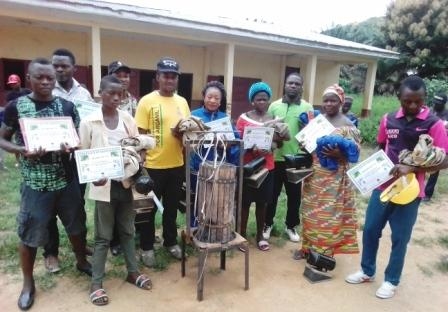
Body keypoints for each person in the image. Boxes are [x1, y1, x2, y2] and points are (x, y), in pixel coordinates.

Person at [0, 58, 91, 311]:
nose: (45, 81)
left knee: (77, 226)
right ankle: (28, 283)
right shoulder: (16, 107)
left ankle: (81, 261)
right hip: (35, 183)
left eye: (49, 78)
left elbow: (75, 138)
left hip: (66, 179)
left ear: (55, 79)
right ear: (29, 78)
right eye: (39, 77)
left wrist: (72, 147)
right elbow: (3, 139)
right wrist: (21, 149)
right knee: (29, 235)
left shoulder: (67, 106)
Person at [345, 76, 448, 299]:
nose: (412, 106)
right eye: (407, 101)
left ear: (424, 99)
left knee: (400, 237)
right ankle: (366, 271)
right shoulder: (388, 119)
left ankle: (391, 280)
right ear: (399, 97)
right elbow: (383, 145)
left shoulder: (434, 124)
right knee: (371, 229)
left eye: (418, 102)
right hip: (382, 186)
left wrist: (412, 168)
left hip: (410, 191)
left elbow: (445, 160)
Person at [79, 75, 151, 306]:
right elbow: (83, 155)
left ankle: (132, 272)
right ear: (100, 93)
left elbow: (137, 147)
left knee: (128, 231)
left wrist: (140, 161)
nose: (116, 98)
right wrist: (93, 178)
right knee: (103, 237)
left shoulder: (127, 119)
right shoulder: (89, 122)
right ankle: (96, 283)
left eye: (120, 93)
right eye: (111, 93)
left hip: (126, 185)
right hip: (104, 188)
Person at [134, 57, 190, 267]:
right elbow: (140, 134)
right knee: (148, 210)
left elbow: (188, 130)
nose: (169, 79)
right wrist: (141, 166)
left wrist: (181, 133)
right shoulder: (146, 101)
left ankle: (170, 242)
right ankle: (147, 247)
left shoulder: (182, 102)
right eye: (165, 75)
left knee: (172, 207)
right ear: (157, 77)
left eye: (173, 76)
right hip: (152, 166)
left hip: (176, 164)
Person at [294, 84, 361, 260]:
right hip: (314, 176)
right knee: (310, 212)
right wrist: (305, 145)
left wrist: (339, 154)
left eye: (333, 100)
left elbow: (354, 154)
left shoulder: (348, 125)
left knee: (329, 216)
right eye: (325, 100)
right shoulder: (318, 122)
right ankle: (307, 248)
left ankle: (324, 253)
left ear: (341, 102)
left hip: (335, 178)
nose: (328, 104)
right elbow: (310, 148)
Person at [43, 48, 94, 273]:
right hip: (48, 160)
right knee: (49, 208)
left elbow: (91, 120)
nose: (60, 69)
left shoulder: (83, 94)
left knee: (77, 204)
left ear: (74, 68)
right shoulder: (45, 91)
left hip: (77, 158)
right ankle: (51, 252)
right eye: (56, 65)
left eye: (64, 65)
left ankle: (81, 247)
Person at [264, 72, 313, 242]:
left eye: (296, 84)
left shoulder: (307, 108)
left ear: (301, 87)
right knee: (272, 195)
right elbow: (267, 131)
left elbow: (312, 132)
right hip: (275, 158)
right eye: (290, 83)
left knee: (294, 196)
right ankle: (267, 224)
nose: (293, 86)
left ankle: (291, 226)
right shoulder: (274, 106)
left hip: (297, 159)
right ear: (284, 85)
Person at [189, 80, 240, 227]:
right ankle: (195, 226)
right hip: (198, 166)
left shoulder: (225, 118)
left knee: (215, 197)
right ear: (204, 97)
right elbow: (187, 139)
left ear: (220, 101)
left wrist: (226, 143)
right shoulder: (194, 116)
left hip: (219, 167)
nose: (212, 100)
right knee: (198, 197)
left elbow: (235, 141)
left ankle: (213, 226)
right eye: (209, 97)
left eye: (217, 98)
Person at [236, 82, 276, 251]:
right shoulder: (243, 119)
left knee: (262, 203)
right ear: (252, 101)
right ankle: (242, 235)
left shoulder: (274, 119)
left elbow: (279, 141)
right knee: (244, 203)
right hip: (248, 167)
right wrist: (249, 146)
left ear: (268, 101)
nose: (262, 102)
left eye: (265, 99)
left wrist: (272, 145)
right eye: (258, 99)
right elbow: (237, 141)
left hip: (267, 167)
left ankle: (260, 235)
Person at [107, 61, 139, 256]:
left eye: (126, 75)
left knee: (129, 199)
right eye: (118, 75)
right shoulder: (104, 99)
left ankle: (128, 234)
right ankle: (113, 240)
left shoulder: (134, 101)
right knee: (111, 201)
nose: (123, 78)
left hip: (129, 156)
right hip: (109, 157)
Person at [423, 93, 448, 201]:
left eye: (438, 103)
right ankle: (417, 189)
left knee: (435, 169)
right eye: (435, 103)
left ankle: (428, 194)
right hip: (427, 144)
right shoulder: (430, 112)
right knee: (420, 166)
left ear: (444, 103)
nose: (436, 105)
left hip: (442, 146)